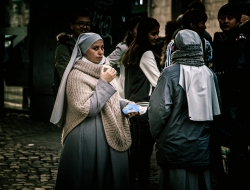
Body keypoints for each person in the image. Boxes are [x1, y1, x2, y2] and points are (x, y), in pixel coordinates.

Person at [50, 33, 138, 189]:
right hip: (87, 139)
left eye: (102, 47)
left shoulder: (104, 70)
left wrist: (126, 105)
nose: (101, 52)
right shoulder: (76, 75)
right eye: (95, 48)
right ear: (84, 50)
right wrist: (103, 82)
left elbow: (110, 100)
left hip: (107, 134)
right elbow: (88, 108)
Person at [148, 29, 221, 190]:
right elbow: (216, 113)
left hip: (174, 144)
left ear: (177, 47)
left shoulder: (170, 74)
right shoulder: (209, 74)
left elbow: (158, 112)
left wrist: (157, 135)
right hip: (201, 145)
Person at [212, 3, 250, 189]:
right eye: (222, 17)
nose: (225, 21)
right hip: (220, 99)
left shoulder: (241, 41)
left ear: (237, 20)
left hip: (236, 101)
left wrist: (215, 76)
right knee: (221, 143)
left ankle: (237, 181)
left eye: (229, 18)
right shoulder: (218, 39)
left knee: (237, 144)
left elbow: (239, 71)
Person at [122, 17, 161, 190]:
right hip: (143, 107)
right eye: (153, 33)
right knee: (143, 150)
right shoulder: (146, 53)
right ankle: (144, 184)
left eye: (157, 33)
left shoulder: (132, 50)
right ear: (145, 34)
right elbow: (158, 82)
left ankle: (132, 182)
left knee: (135, 149)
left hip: (130, 105)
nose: (157, 37)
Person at [107, 16, 141, 98]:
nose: (141, 32)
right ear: (131, 31)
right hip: (126, 89)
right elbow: (107, 62)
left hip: (141, 89)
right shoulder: (124, 47)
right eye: (138, 29)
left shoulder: (146, 48)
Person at [55, 11, 92, 80]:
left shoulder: (91, 45)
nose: (84, 27)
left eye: (88, 24)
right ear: (72, 26)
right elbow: (65, 74)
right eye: (80, 23)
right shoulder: (64, 47)